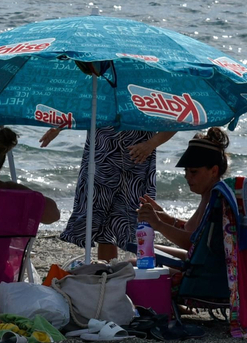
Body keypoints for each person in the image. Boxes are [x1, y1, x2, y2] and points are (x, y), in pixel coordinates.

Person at [42, 82, 177, 261]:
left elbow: (176, 119)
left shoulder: (149, 81)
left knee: (137, 223)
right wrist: (58, 127)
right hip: (101, 159)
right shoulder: (101, 80)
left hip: (137, 161)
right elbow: (80, 102)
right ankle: (106, 271)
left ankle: (136, 270)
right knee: (104, 228)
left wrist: (150, 144)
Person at [136, 128, 230, 261]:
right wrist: (166, 218)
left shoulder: (215, 199)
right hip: (200, 261)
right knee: (144, 252)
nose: (187, 176)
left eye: (193, 172)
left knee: (137, 258)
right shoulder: (210, 194)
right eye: (186, 171)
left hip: (204, 269)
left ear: (214, 171)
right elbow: (194, 231)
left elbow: (195, 243)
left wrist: (158, 224)